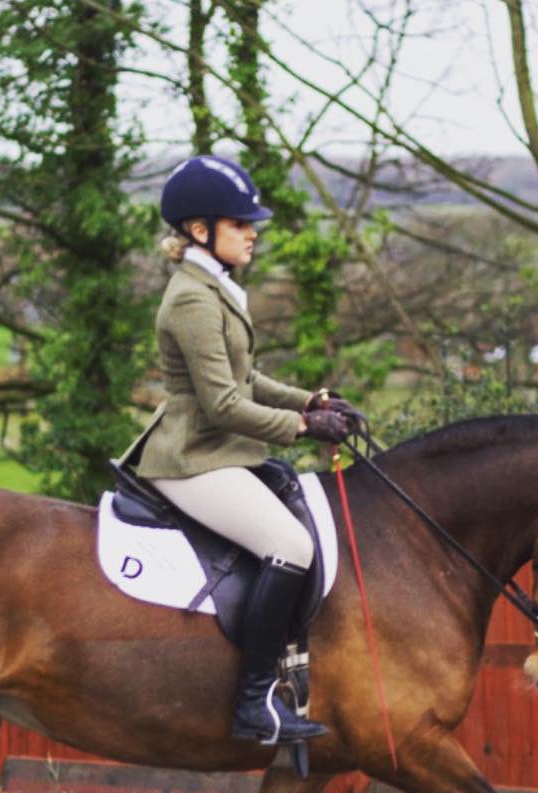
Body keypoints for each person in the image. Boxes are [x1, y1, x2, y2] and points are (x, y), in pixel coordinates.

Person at [118, 155, 363, 746]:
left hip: (220, 448)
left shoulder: (217, 287)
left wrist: (314, 400)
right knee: (290, 546)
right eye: (239, 223)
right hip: (191, 457)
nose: (253, 231)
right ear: (200, 230)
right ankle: (254, 703)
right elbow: (225, 404)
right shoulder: (192, 301)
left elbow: (247, 378)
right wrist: (304, 429)